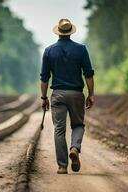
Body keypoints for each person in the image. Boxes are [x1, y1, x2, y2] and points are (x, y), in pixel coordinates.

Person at [40, 19, 95, 174]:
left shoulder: (49, 51)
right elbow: (88, 74)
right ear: (71, 31)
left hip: (57, 95)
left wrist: (44, 98)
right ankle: (75, 148)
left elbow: (44, 78)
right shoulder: (81, 50)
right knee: (78, 125)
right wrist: (91, 94)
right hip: (76, 94)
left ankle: (62, 166)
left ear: (58, 31)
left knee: (59, 129)